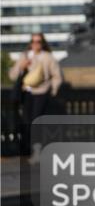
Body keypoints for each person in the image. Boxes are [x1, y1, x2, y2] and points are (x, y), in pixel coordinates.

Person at [8, 33, 62, 161]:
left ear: (42, 43)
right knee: (26, 121)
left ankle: (37, 151)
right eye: (33, 42)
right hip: (26, 93)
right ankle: (30, 149)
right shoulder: (25, 56)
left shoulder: (48, 57)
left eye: (38, 42)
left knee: (36, 121)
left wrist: (52, 90)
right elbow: (12, 76)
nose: (35, 44)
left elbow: (57, 76)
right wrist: (22, 67)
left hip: (41, 93)